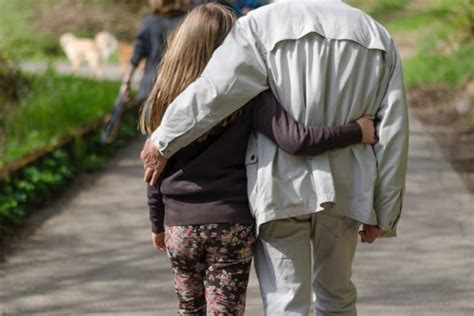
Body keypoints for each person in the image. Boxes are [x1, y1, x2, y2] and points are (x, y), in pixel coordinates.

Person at [141, 0, 409, 315]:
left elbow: (215, 91)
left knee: (286, 302)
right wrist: (385, 212)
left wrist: (163, 140)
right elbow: (393, 129)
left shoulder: (258, 26)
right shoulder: (375, 34)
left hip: (281, 186)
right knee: (337, 298)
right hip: (346, 185)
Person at [120, 0, 187, 105]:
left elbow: (137, 55)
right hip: (178, 88)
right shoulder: (187, 21)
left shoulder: (150, 22)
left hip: (150, 87)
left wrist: (126, 83)